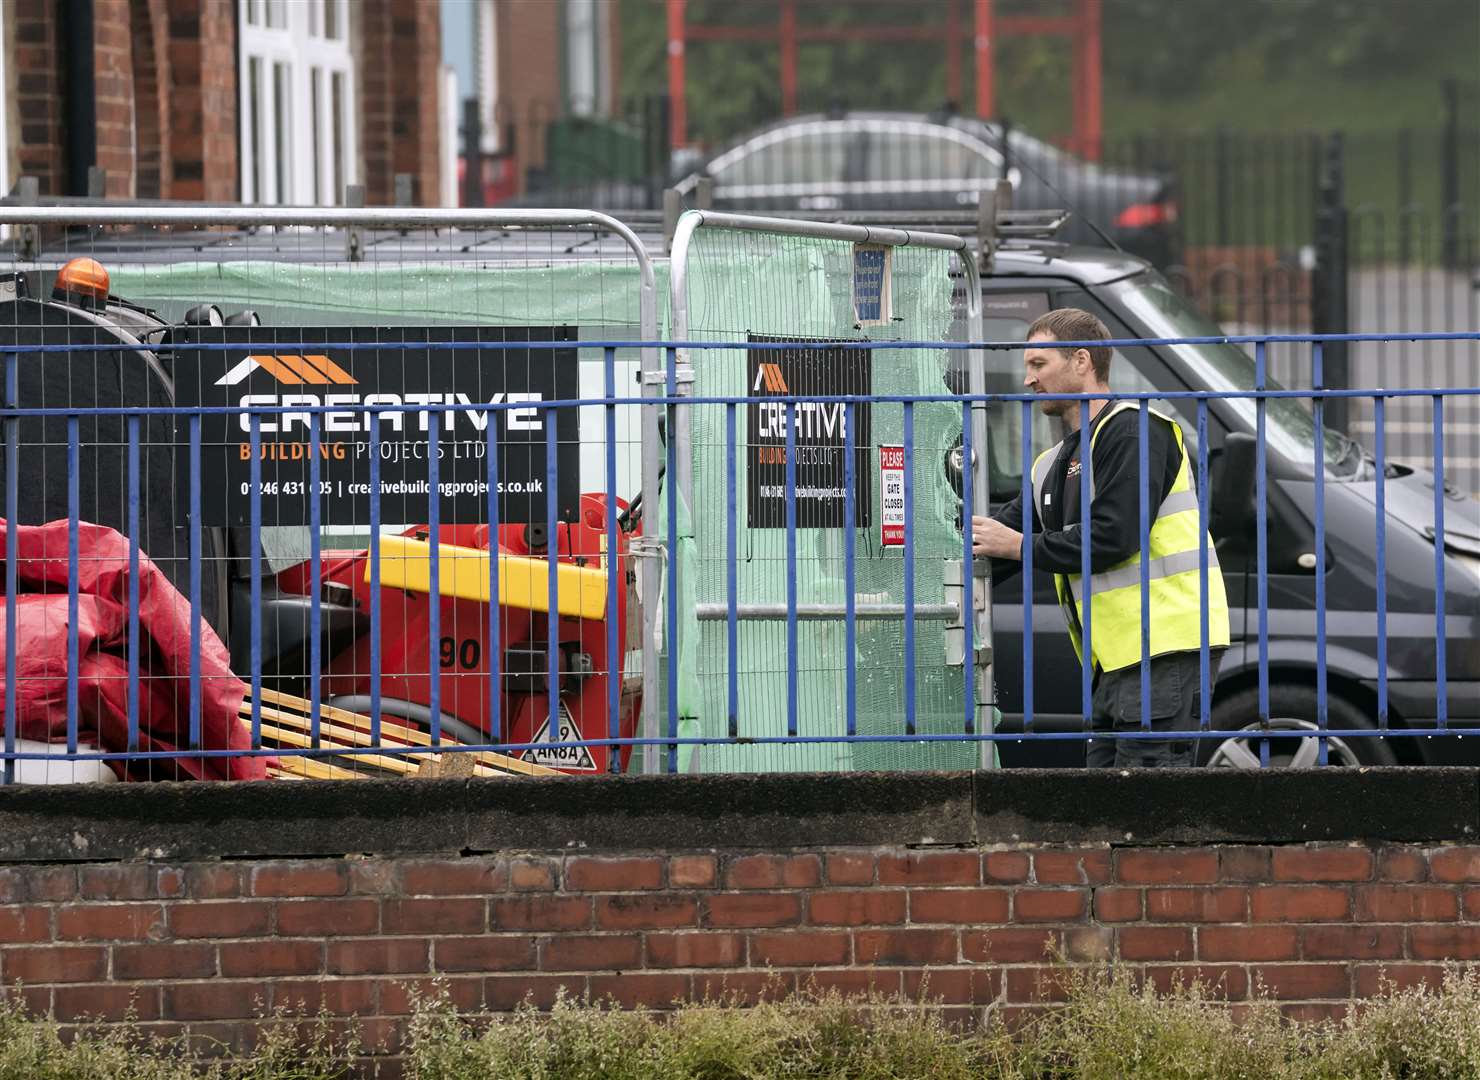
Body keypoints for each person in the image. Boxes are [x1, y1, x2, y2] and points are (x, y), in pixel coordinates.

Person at [970, 308, 1230, 767]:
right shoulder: (1051, 464)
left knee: (1145, 811)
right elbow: (994, 539)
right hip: (1114, 658)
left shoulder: (1135, 431)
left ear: (1082, 361)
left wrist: (1018, 546)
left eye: (1039, 365)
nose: (1028, 380)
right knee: (1106, 806)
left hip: (1163, 648)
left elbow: (1114, 537)